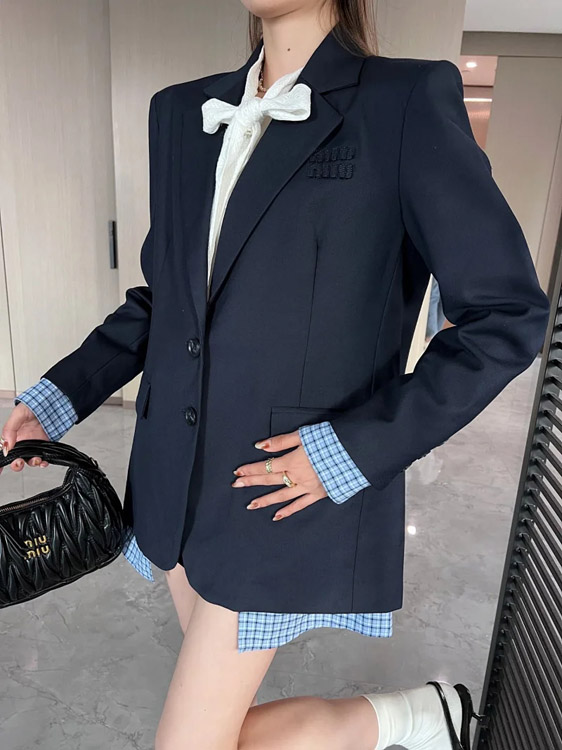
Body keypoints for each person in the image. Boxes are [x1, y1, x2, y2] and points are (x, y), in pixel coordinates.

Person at [0, 1, 550, 748]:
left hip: (280, 487)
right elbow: (170, 300)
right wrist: (60, 396)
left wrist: (351, 451)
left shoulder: (404, 102)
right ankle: (424, 714)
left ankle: (413, 717)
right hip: (172, 478)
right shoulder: (180, 113)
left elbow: (506, 315)